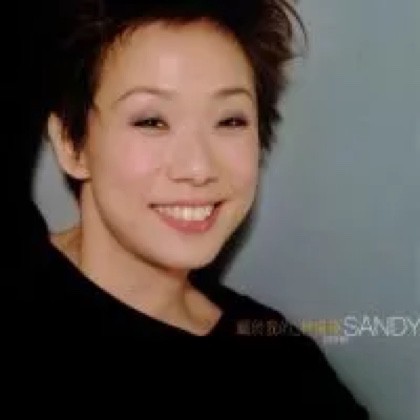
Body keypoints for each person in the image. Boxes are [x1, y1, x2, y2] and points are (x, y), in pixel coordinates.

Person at [19, 1, 369, 415]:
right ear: (71, 144)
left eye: (230, 121)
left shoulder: (281, 363)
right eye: (151, 121)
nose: (199, 168)